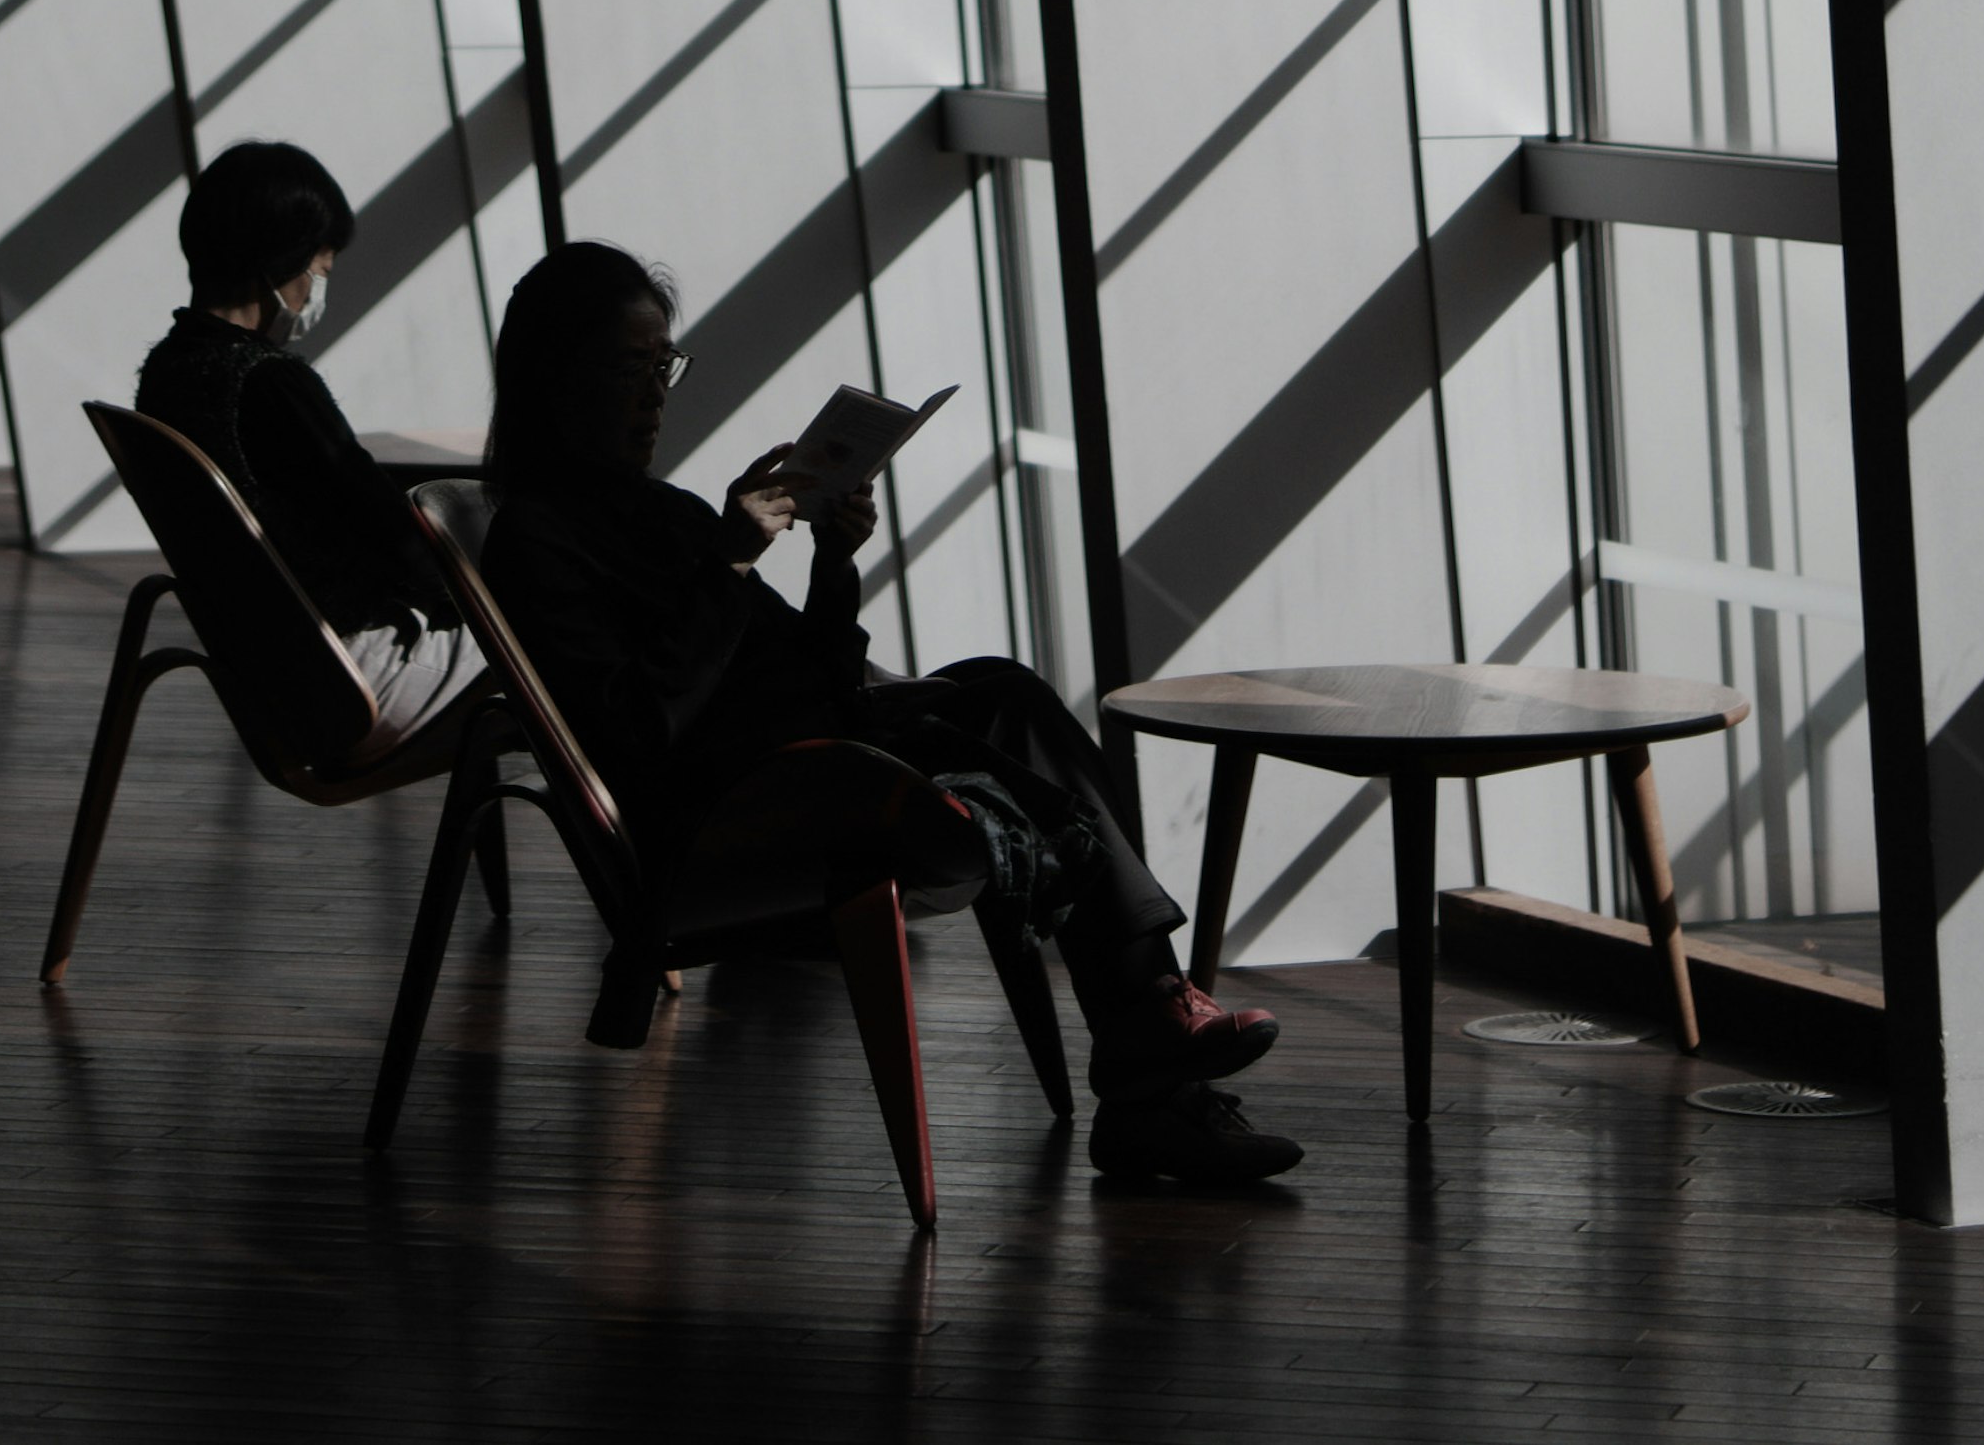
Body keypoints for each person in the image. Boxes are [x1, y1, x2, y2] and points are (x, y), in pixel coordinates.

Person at [478, 241, 1298, 1189]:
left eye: (663, 364)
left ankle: (1151, 1049)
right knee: (1002, 708)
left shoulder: (659, 515)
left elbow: (817, 673)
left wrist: (831, 559)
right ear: (555, 377)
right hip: (732, 814)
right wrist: (729, 565)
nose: (657, 393)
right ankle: (1155, 1047)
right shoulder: (537, 546)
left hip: (797, 761)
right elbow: (636, 730)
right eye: (631, 369)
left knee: (998, 687)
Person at [132, 141, 475, 745]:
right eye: (319, 271)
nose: (318, 288)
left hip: (268, 671)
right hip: (350, 676)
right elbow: (383, 529)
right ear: (280, 263)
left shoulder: (168, 372)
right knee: (558, 638)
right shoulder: (269, 384)